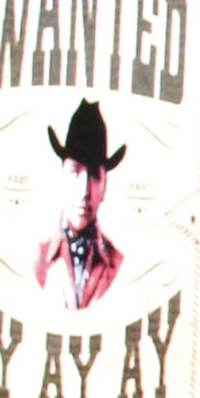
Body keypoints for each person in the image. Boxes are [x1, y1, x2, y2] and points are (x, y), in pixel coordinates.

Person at [34, 99, 125, 310]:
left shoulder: (118, 264)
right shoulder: (38, 261)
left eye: (94, 176)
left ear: (104, 186)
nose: (84, 191)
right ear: (61, 178)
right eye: (75, 172)